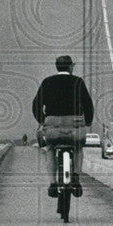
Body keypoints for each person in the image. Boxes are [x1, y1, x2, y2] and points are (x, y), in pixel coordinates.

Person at [32, 55, 94, 198]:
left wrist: (42, 121)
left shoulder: (47, 82)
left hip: (52, 125)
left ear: (57, 66)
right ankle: (76, 177)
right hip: (74, 124)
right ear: (71, 66)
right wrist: (88, 121)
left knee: (50, 149)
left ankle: (53, 183)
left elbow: (36, 105)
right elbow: (88, 104)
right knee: (78, 147)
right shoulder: (78, 81)